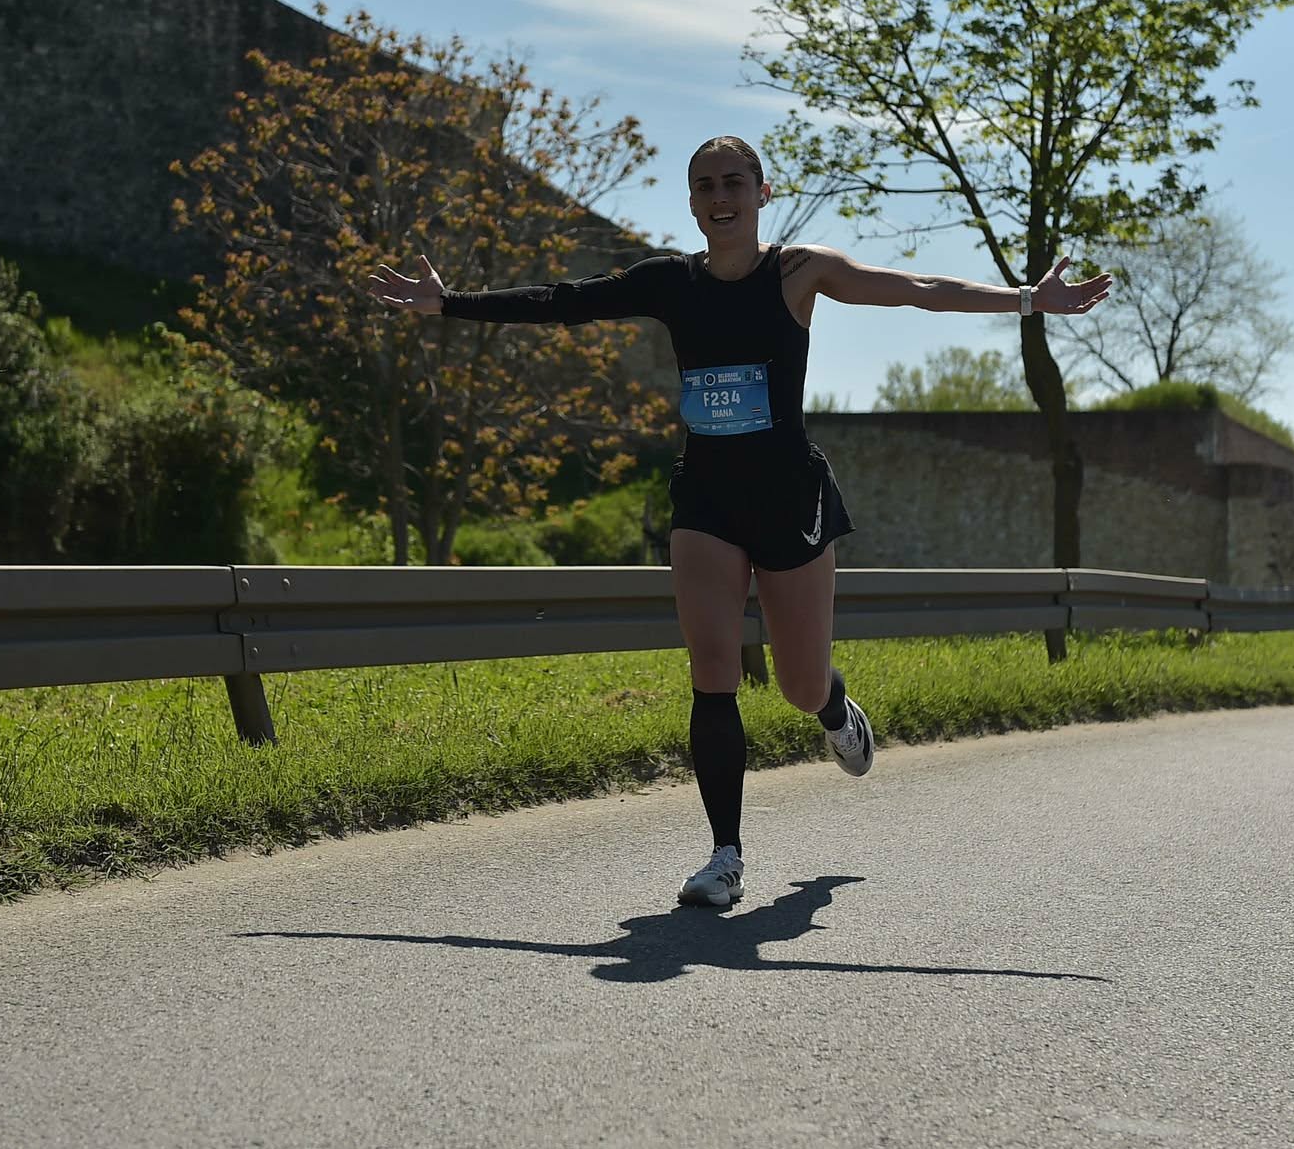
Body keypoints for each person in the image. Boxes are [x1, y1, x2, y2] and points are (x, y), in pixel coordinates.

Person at [368, 134, 1111, 911]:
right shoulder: (670, 282)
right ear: (692, 202)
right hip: (707, 501)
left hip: (788, 497)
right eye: (704, 186)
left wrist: (1028, 300)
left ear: (762, 193)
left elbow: (916, 287)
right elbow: (565, 302)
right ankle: (724, 857)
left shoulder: (800, 271)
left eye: (733, 182)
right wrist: (448, 303)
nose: (719, 197)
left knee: (798, 684)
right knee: (713, 668)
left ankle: (833, 708)